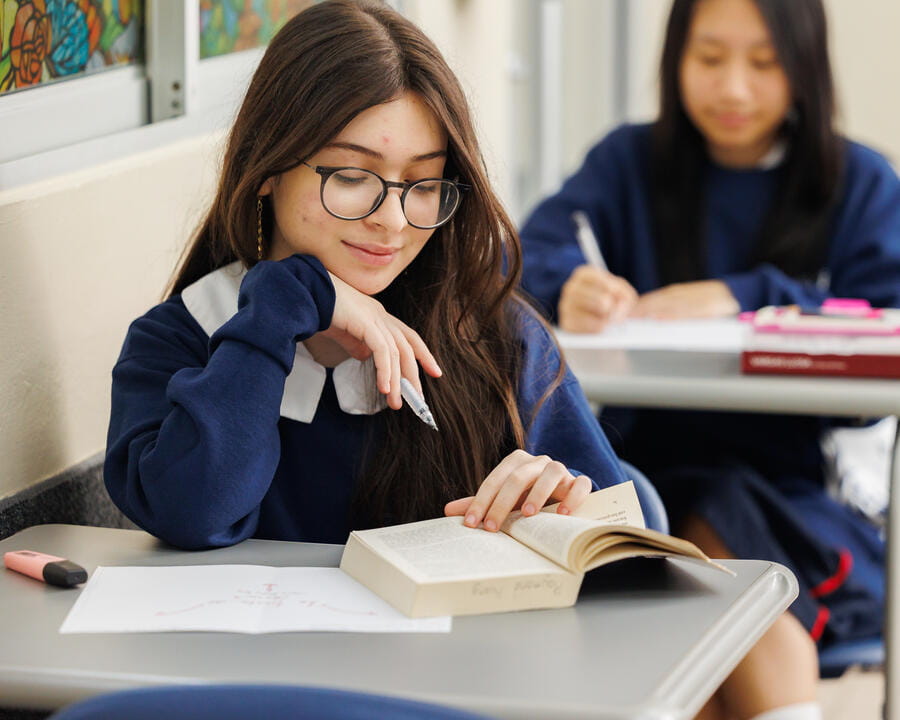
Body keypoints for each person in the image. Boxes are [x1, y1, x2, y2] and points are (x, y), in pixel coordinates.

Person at [103, 0, 634, 557]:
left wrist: (566, 506)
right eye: (354, 176)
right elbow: (192, 514)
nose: (393, 219)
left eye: (424, 183)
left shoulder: (497, 338)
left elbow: (635, 540)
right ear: (266, 168)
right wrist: (285, 298)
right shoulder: (177, 340)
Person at [519, 1, 900, 719]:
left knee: (696, 554)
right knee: (692, 549)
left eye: (763, 62)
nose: (732, 88)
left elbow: (883, 319)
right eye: (709, 57)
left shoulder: (860, 184)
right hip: (642, 474)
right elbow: (528, 249)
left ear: (806, 66)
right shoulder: (628, 163)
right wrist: (570, 283)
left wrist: (744, 296)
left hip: (792, 499)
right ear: (674, 59)